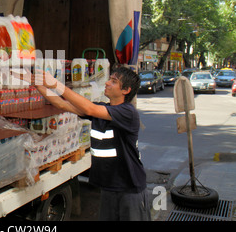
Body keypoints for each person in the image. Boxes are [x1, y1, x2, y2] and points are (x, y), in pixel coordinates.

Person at [17, 66, 151, 221]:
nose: (107, 83)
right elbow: (62, 105)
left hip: (130, 190)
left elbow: (90, 108)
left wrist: (56, 84)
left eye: (113, 81)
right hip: (109, 187)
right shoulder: (103, 109)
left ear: (125, 90)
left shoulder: (128, 112)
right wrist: (38, 84)